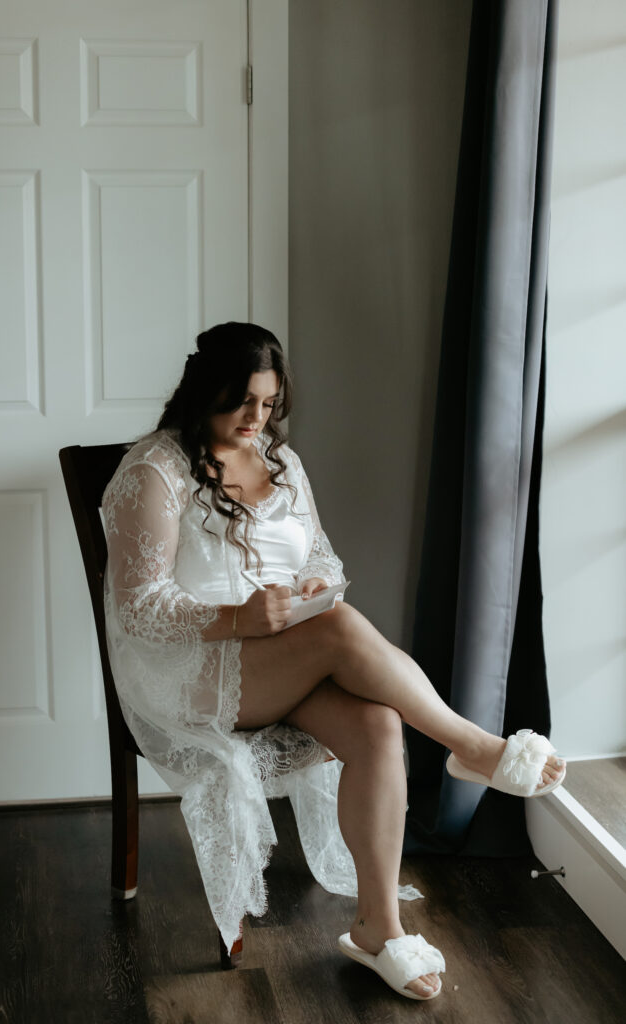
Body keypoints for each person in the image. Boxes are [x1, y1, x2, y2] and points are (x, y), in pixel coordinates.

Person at [102, 322, 566, 1002]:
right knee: (340, 633)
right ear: (203, 394)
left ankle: (379, 927)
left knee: (378, 724)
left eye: (268, 404)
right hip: (187, 669)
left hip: (278, 656)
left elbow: (319, 557)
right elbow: (138, 606)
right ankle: (473, 747)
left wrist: (314, 589)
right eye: (241, 404)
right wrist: (237, 618)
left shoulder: (280, 462)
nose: (255, 420)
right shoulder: (155, 470)